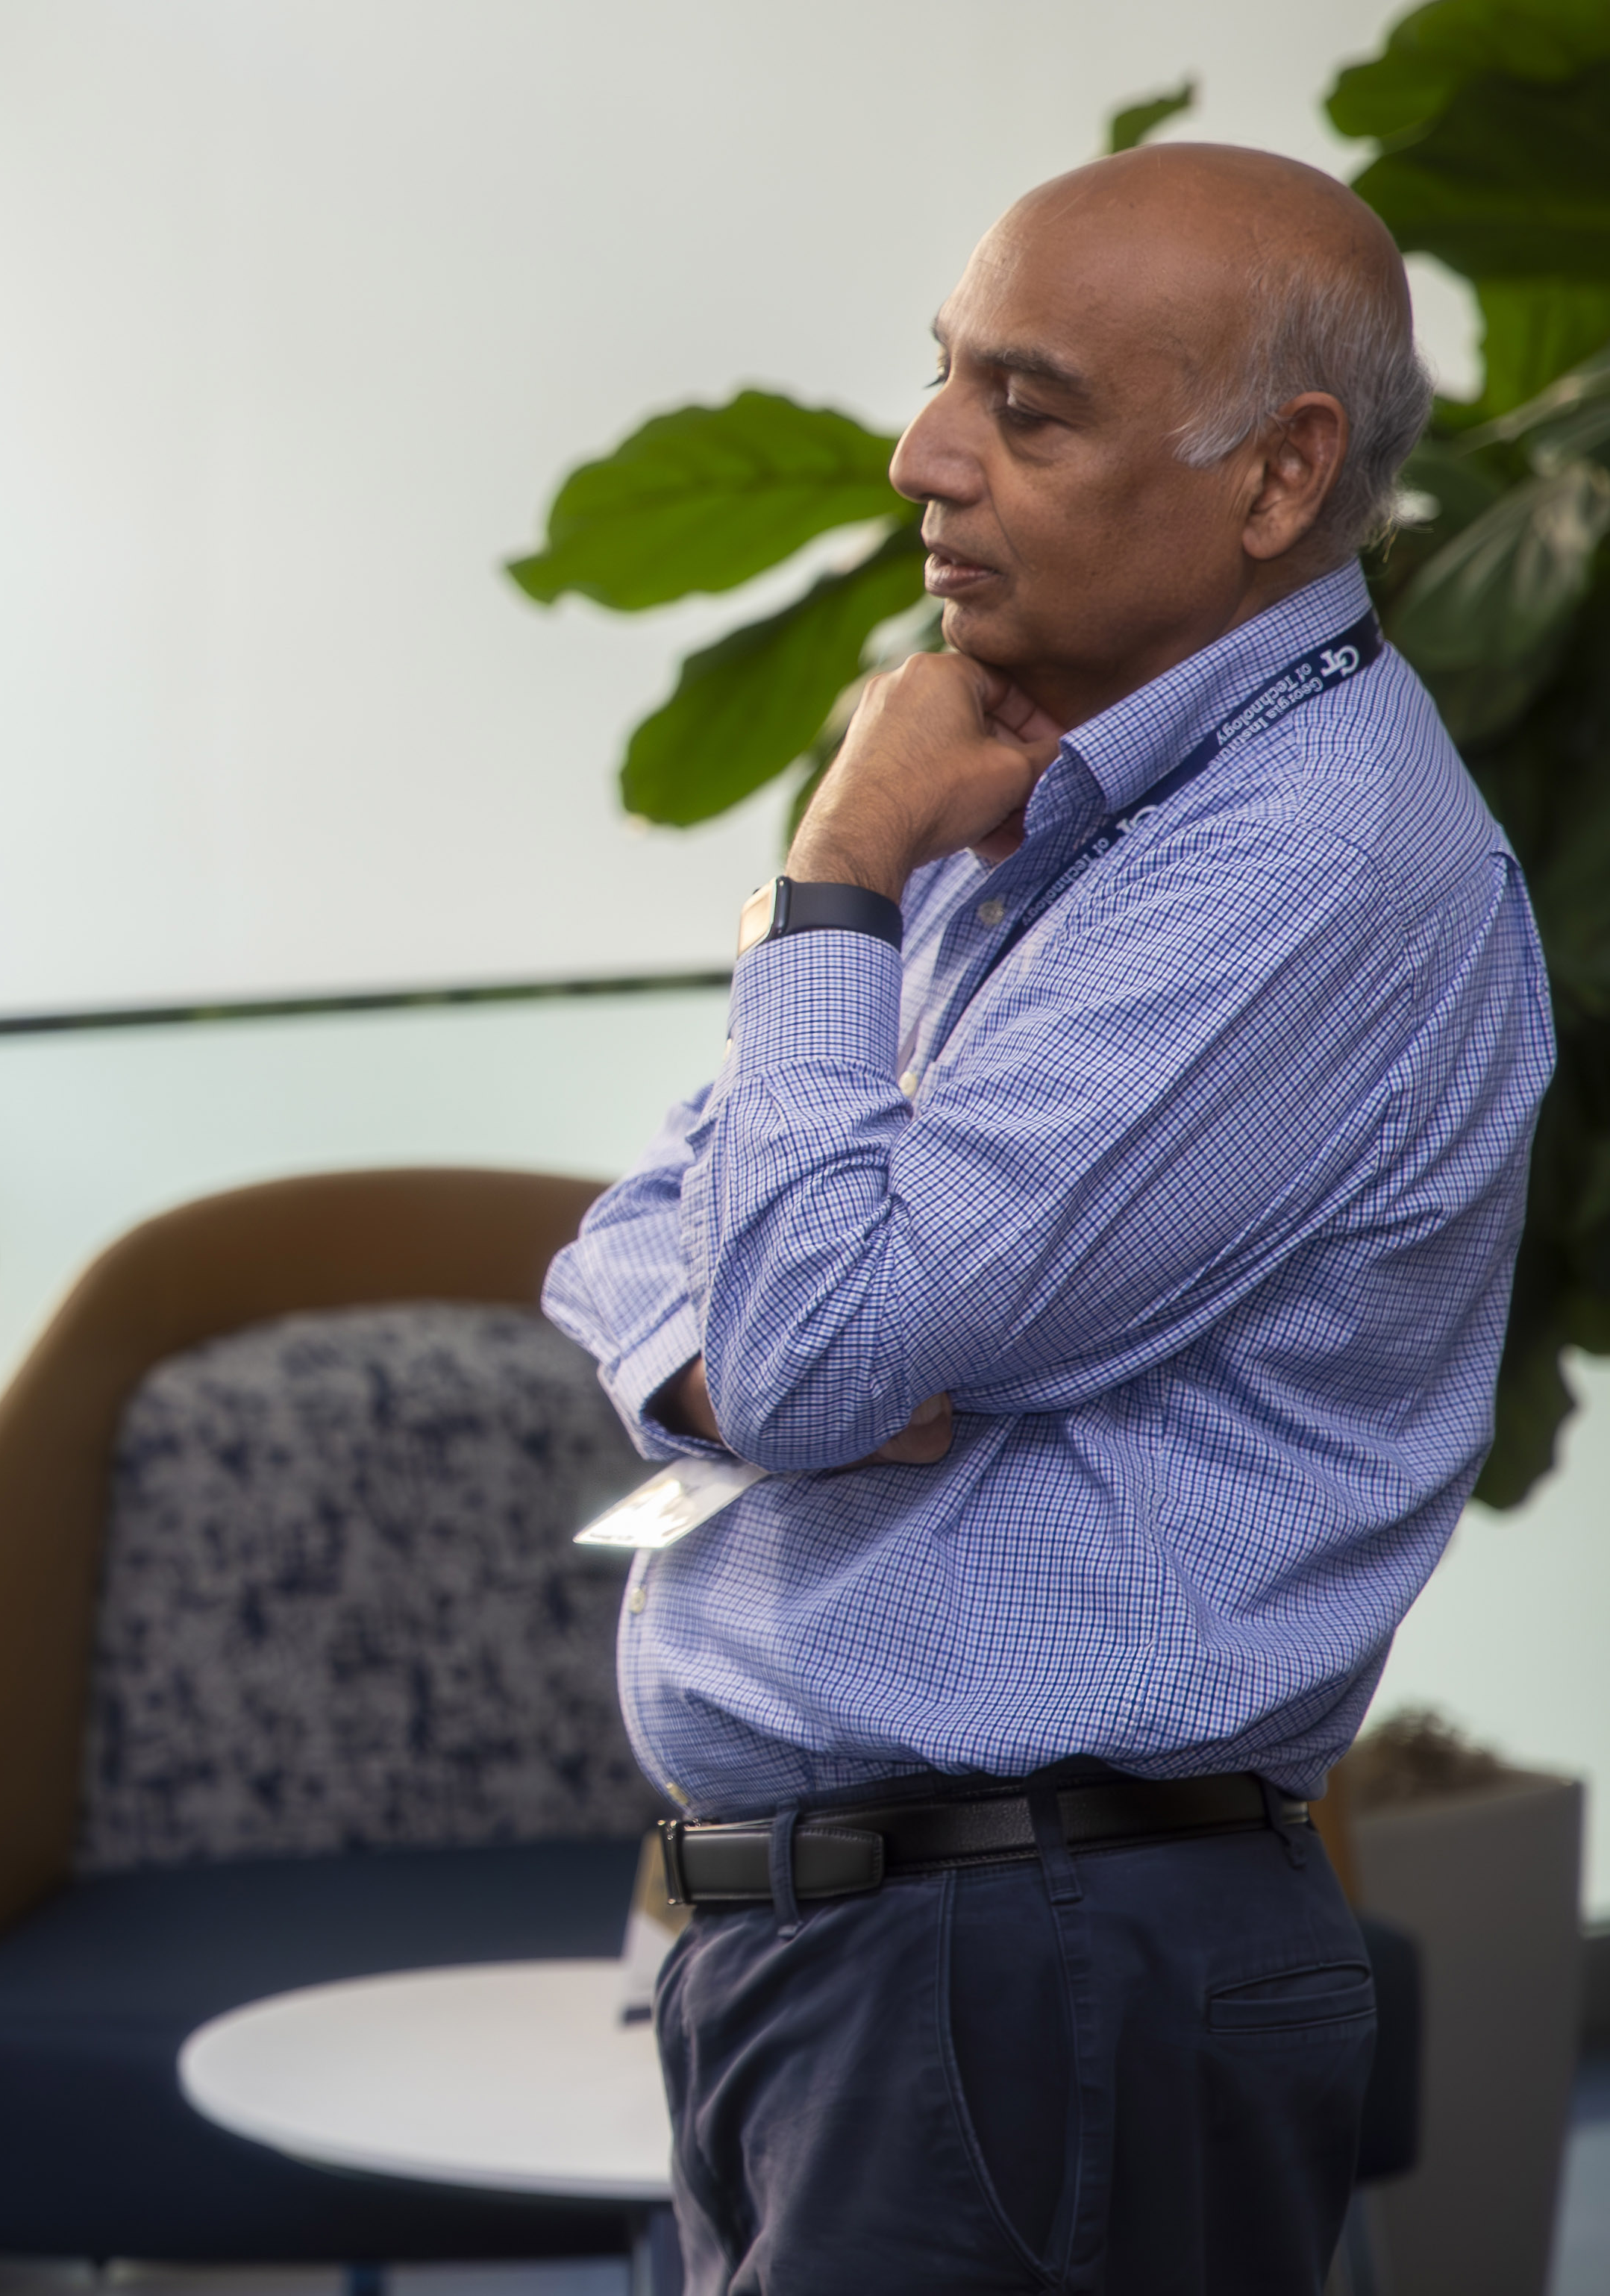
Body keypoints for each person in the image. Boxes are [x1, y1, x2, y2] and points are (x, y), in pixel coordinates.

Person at [545, 145, 1550, 2292]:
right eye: (944, 375)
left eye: (1029, 404)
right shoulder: (1059, 794)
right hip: (892, 1959)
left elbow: (816, 1334)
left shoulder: (1305, 866)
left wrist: (831, 876)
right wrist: (725, 1356)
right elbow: (651, 1217)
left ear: (1280, 479)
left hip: (1022, 1968)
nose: (924, 455)